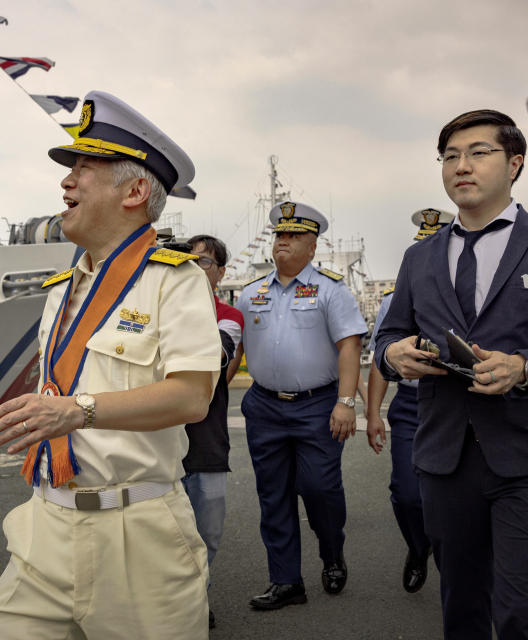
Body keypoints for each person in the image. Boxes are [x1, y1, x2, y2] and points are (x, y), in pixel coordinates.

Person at [0, 90, 221, 639]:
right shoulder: (62, 290)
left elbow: (191, 397)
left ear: (136, 191)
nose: (66, 182)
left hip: (136, 534)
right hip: (46, 522)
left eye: (85, 169)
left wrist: (76, 412)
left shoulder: (176, 280)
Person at [374, 109, 528, 640]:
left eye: (478, 152)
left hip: (521, 453)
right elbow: (388, 335)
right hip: (445, 455)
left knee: (518, 610)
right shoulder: (420, 258)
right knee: (460, 602)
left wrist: (523, 366)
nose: (461, 166)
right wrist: (394, 356)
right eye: (450, 156)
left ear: (515, 164)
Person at [235, 201, 367, 610]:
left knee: (318, 488)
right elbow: (233, 349)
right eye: (279, 235)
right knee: (273, 495)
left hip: (318, 404)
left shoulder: (331, 289)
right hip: (264, 405)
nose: (283, 242)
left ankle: (332, 553)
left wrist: (347, 403)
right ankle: (286, 581)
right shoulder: (250, 294)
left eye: (293, 236)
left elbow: (350, 346)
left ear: (313, 247)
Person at [365, 208, 453, 594]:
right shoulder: (393, 298)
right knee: (405, 493)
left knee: (456, 496)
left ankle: (456, 568)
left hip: (456, 402)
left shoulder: (462, 291)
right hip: (410, 405)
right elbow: (380, 359)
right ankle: (418, 549)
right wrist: (372, 415)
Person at [182, 234, 244, 630]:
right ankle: (182, 608)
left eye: (204, 263)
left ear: (220, 273)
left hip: (206, 445)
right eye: (186, 260)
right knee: (162, 533)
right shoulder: (158, 311)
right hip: (159, 446)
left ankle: (197, 596)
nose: (193, 267)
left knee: (207, 534)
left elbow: (216, 357)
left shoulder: (228, 316)